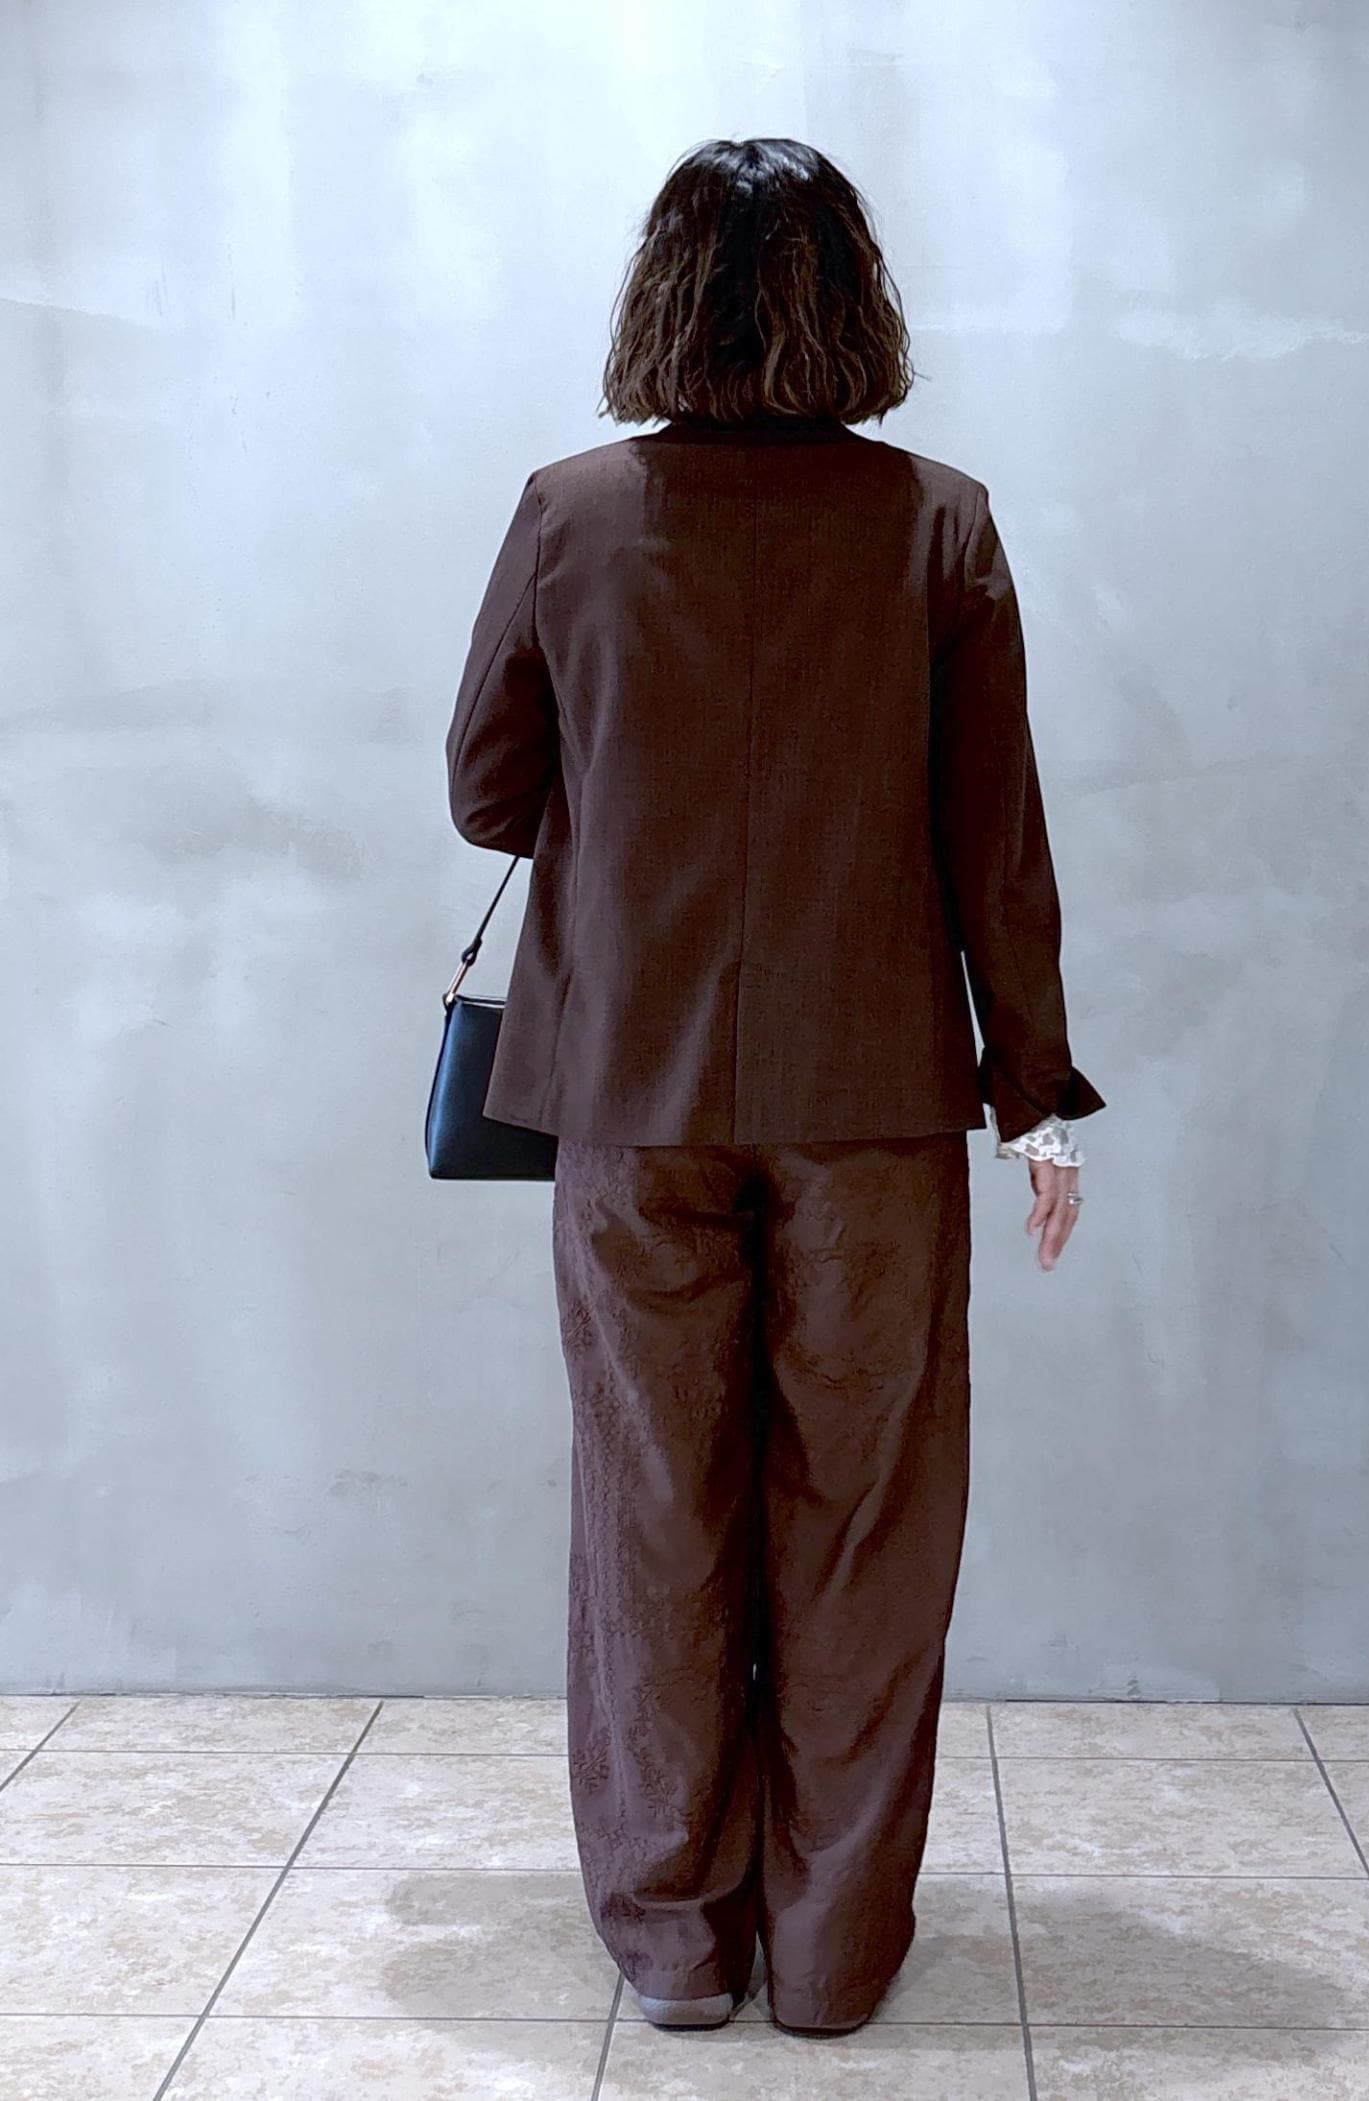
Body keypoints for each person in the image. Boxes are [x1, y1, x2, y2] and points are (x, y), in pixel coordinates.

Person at [443, 136, 1105, 2037]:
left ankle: (675, 1937)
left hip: (629, 1092)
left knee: (656, 1506)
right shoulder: (938, 524)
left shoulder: (569, 515)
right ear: (852, 301)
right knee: (866, 1515)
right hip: (875, 1100)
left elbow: (487, 792)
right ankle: (829, 1950)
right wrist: (1034, 1093)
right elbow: (994, 838)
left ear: (664, 295)